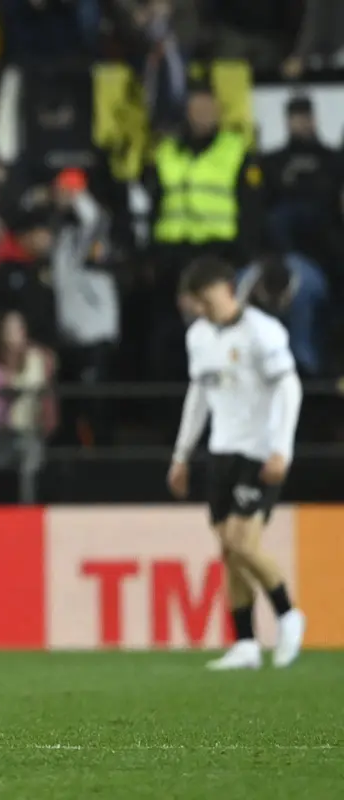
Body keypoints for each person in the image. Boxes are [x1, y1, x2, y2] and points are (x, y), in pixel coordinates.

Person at [167, 257, 306, 671]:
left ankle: (288, 613)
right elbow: (198, 397)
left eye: (206, 300)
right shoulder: (199, 337)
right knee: (228, 549)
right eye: (197, 302)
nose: (202, 309)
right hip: (221, 451)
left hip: (259, 453)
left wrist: (282, 449)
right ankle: (245, 643)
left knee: (244, 542)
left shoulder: (262, 333)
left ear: (228, 288)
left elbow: (289, 388)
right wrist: (181, 455)